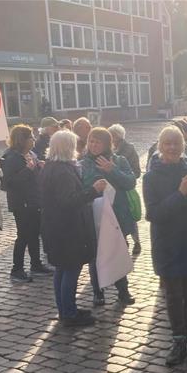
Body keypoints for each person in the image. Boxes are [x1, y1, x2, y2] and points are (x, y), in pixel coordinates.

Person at [143, 125, 187, 366]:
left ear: (183, 146)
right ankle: (178, 339)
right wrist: (180, 194)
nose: (172, 147)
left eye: (176, 143)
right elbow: (154, 214)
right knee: (173, 296)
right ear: (160, 146)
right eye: (167, 143)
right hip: (167, 245)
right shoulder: (150, 177)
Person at [41, 131, 107, 327]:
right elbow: (68, 202)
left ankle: (65, 309)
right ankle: (69, 313)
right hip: (67, 229)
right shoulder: (63, 171)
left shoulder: (50, 166)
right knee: (70, 269)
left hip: (55, 226)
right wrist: (93, 191)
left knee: (62, 269)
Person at [80, 127, 136, 306]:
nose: (93, 145)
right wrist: (96, 184)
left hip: (117, 215)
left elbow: (130, 182)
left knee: (119, 252)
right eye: (91, 141)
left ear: (107, 144)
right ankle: (98, 291)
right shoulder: (82, 163)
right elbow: (82, 187)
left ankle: (123, 291)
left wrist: (112, 170)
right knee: (95, 255)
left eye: (98, 142)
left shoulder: (119, 160)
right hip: (94, 215)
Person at [0, 124, 51, 283]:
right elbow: (7, 183)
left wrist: (39, 166)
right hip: (22, 203)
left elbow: (34, 176)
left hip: (34, 201)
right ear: (22, 140)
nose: (34, 139)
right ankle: (17, 269)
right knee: (23, 236)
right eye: (30, 137)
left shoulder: (30, 154)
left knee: (34, 234)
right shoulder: (11, 158)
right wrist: (27, 170)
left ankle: (36, 264)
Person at [109, 124, 142, 255]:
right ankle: (123, 240)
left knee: (131, 215)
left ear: (118, 136)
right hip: (114, 189)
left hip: (127, 189)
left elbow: (136, 171)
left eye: (113, 135)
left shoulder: (129, 149)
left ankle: (136, 241)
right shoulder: (108, 149)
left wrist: (125, 175)